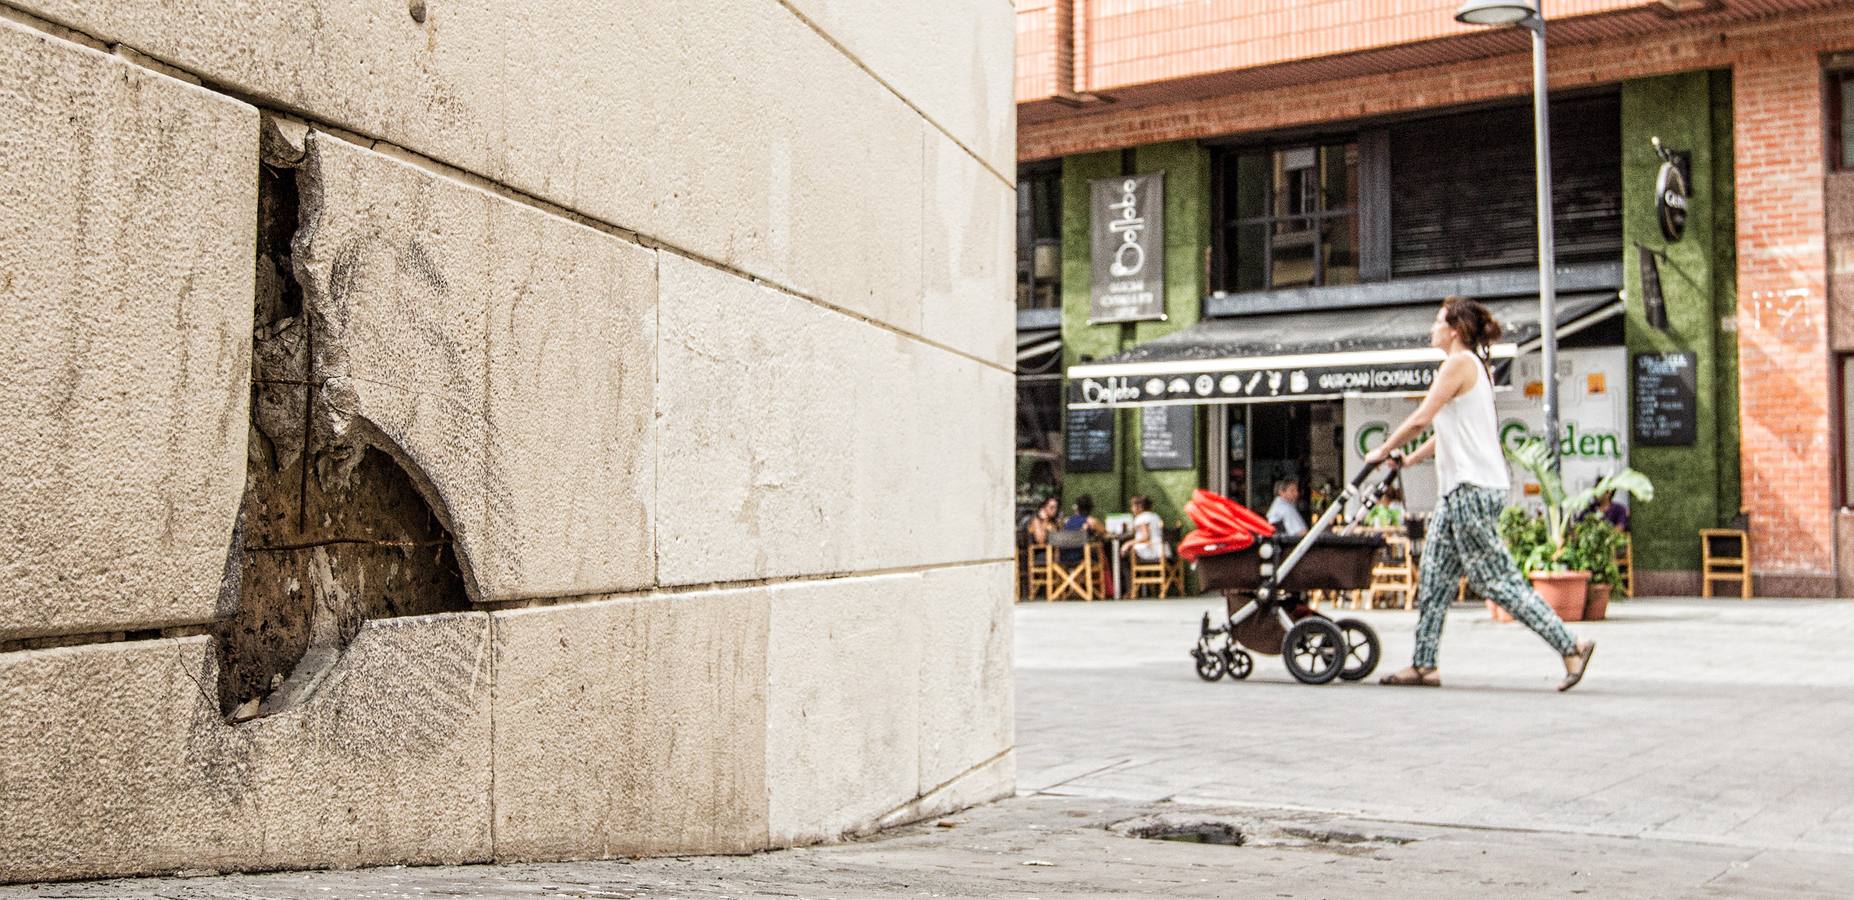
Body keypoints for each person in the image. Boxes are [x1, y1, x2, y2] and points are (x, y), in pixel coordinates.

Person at [1366, 295, 1597, 691]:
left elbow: (1422, 418)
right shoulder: (1474, 367)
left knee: (1496, 581)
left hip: (1471, 491)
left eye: (1438, 322)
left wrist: (1382, 450)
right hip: (1459, 492)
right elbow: (1443, 432)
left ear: (1455, 330)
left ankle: (1571, 644)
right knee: (1436, 578)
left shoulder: (1457, 364)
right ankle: (1424, 665)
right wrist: (1407, 461)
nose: (1432, 329)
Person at [1058, 494, 1107, 566]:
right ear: (1090, 508)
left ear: (1076, 507)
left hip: (1064, 558)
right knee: (1101, 552)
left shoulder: (1065, 521)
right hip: (1082, 558)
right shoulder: (1091, 521)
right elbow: (1105, 533)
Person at [1123, 495, 1166, 563]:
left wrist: (1128, 543)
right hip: (1164, 552)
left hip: (1151, 553)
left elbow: (1146, 537)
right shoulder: (1155, 516)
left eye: (1132, 506)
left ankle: (1128, 574)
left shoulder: (1141, 518)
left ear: (1139, 507)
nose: (1131, 509)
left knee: (1123, 554)